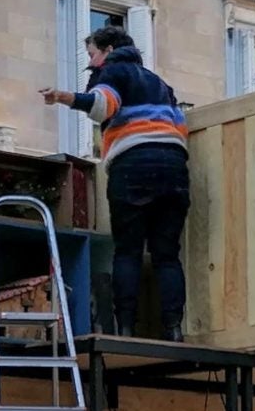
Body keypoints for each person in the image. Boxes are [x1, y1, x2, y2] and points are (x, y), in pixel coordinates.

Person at [38, 25, 188, 340]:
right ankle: (174, 329)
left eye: (92, 54)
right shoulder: (161, 84)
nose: (90, 63)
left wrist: (63, 97)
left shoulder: (113, 72)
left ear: (107, 51)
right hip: (174, 168)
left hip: (133, 166)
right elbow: (181, 128)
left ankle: (127, 329)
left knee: (128, 251)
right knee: (167, 255)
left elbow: (102, 105)